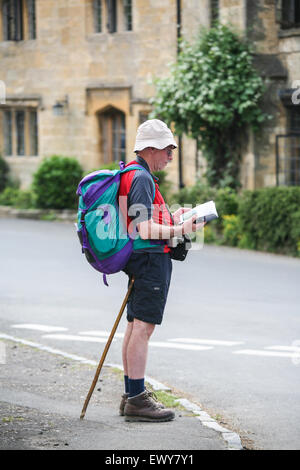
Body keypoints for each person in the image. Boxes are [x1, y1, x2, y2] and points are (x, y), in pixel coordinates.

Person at [118, 119, 204, 422]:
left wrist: (172, 217)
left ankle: (131, 393)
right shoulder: (141, 178)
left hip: (141, 259)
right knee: (143, 328)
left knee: (134, 326)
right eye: (168, 149)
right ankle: (137, 400)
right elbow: (143, 228)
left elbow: (143, 220)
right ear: (151, 148)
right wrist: (181, 228)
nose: (171, 155)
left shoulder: (133, 173)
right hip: (150, 260)